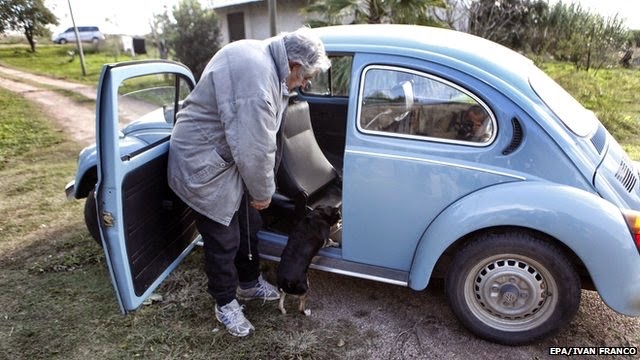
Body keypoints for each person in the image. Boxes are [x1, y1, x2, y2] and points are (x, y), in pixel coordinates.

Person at [167, 27, 330, 337]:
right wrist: (262, 192)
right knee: (223, 237)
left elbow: (261, 142)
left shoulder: (271, 67)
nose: (305, 84)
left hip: (229, 161)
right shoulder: (256, 78)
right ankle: (225, 302)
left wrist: (259, 191)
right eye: (305, 76)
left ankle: (248, 283)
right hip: (204, 166)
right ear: (294, 63)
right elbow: (254, 148)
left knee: (250, 225)